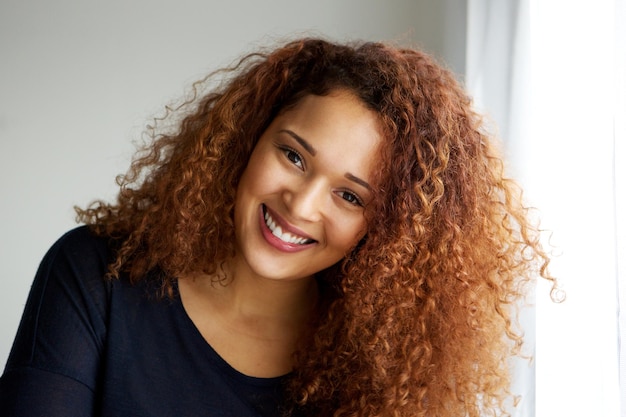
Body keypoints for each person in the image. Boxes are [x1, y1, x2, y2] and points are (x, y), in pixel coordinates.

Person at [0, 38, 557, 417]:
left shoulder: (379, 378)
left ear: (386, 230)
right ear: (249, 140)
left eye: (348, 195)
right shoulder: (95, 274)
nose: (301, 204)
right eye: (293, 156)